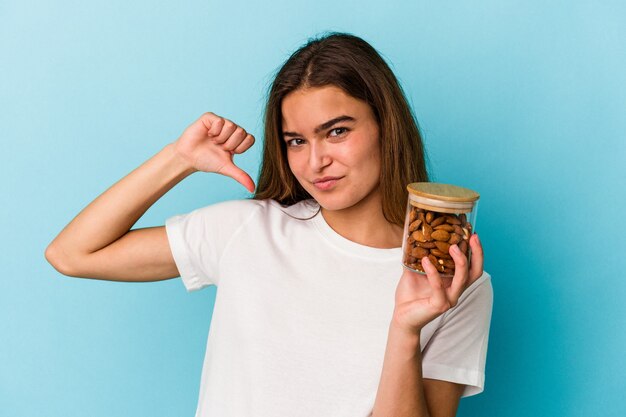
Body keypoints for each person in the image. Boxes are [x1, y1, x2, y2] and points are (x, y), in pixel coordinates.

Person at [45, 32, 493, 417]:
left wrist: (404, 329)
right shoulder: (247, 231)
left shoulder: (453, 280)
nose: (316, 161)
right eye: (296, 141)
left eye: (337, 131)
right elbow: (71, 254)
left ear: (385, 126)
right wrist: (179, 159)